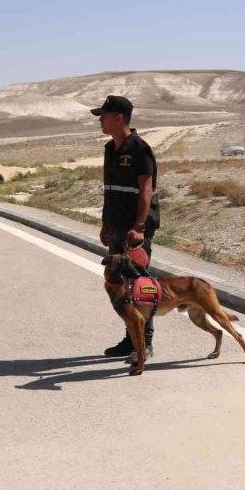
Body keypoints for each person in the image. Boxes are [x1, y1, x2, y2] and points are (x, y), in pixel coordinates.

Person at [93, 95, 160, 360]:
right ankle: (130, 338)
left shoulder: (141, 150)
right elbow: (109, 190)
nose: (100, 120)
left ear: (118, 118)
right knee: (120, 286)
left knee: (140, 285)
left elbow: (146, 191)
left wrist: (140, 227)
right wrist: (104, 222)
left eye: (104, 115)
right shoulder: (110, 149)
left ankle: (145, 342)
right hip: (116, 224)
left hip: (135, 230)